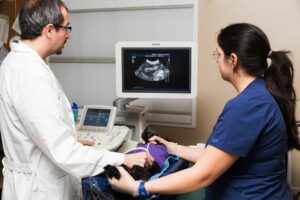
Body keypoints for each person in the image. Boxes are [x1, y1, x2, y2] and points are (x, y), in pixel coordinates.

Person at [108, 23, 300, 199]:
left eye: (218, 54)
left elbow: (204, 174)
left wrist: (138, 187)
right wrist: (172, 147)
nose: (216, 60)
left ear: (232, 60)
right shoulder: (261, 92)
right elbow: (218, 156)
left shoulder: (247, 106)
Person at [0, 0, 152, 199]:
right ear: (49, 30)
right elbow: (63, 152)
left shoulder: (14, 61)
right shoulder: (31, 74)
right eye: (66, 27)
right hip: (40, 189)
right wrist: (122, 158)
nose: (69, 35)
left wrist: (69, 138)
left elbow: (36, 131)